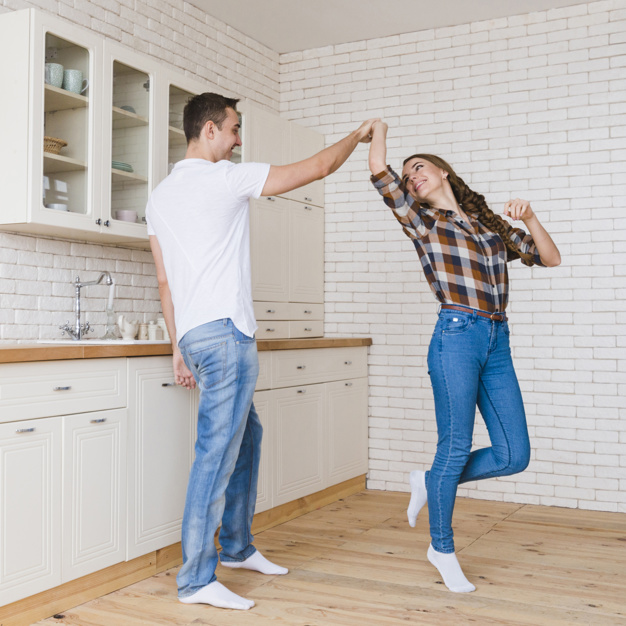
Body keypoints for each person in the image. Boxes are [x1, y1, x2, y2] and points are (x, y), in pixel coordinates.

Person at [146, 91, 377, 611]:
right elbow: (317, 167)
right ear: (208, 130)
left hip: (197, 336)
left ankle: (236, 547)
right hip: (226, 338)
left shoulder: (157, 197)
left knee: (246, 437)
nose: (237, 140)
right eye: (233, 130)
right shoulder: (225, 178)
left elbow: (165, 281)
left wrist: (177, 347)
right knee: (216, 455)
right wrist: (359, 135)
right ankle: (195, 581)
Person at [367, 121, 561, 593]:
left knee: (514, 454)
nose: (413, 177)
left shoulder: (489, 228)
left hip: (497, 340)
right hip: (455, 335)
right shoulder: (422, 221)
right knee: (454, 447)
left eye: (421, 168)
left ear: (444, 173)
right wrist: (378, 130)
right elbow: (379, 169)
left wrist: (530, 216)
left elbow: (549, 257)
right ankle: (442, 547)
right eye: (408, 176)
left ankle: (429, 481)